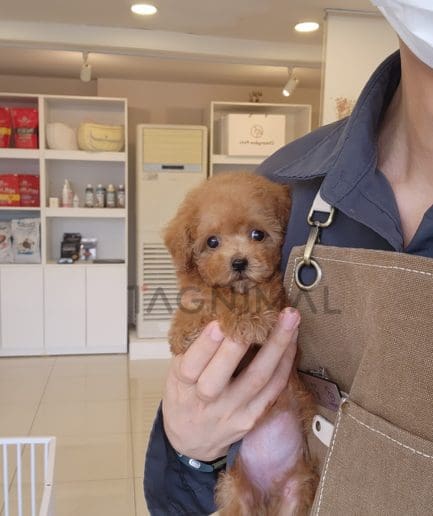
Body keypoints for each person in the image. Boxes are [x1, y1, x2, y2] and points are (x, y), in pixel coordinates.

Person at [144, 1, 433, 513]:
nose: (239, 254)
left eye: (258, 236)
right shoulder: (286, 180)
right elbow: (181, 493)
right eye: (215, 243)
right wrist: (189, 450)